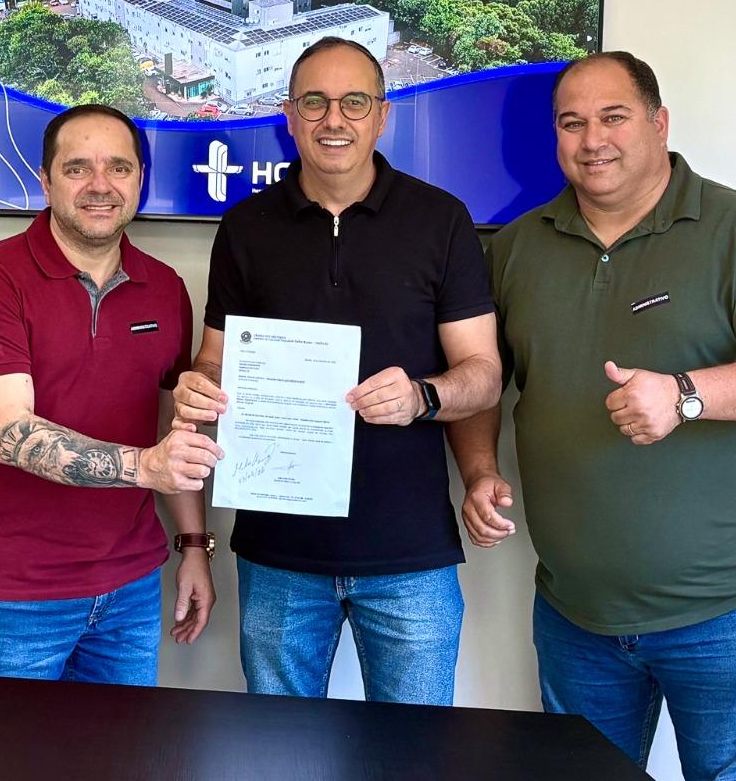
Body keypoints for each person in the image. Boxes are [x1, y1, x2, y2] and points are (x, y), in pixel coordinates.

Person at [452, 50, 736, 780]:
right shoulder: (517, 246)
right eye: (571, 123)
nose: (592, 140)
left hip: (727, 610)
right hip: (575, 612)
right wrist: (478, 469)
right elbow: (482, 377)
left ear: (659, 123)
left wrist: (686, 394)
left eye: (614, 117)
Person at [173, 36, 501, 704]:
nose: (334, 120)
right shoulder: (245, 227)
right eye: (314, 102)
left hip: (409, 552)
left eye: (354, 102)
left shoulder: (441, 220)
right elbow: (216, 357)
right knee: (278, 749)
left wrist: (422, 396)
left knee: (415, 750)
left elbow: (484, 374)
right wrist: (200, 385)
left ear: (382, 116)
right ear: (289, 116)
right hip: (277, 553)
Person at [0, 103, 220, 685]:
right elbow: (11, 434)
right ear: (45, 181)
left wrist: (194, 544)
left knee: (122, 746)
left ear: (140, 180)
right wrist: (145, 467)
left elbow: (171, 430)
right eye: (77, 168)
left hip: (131, 588)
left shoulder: (165, 287)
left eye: (119, 167)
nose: (100, 185)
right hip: (13, 594)